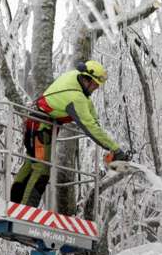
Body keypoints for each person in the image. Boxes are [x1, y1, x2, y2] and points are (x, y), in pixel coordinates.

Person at [10, 60, 130, 207]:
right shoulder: (75, 97)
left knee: (31, 163)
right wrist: (115, 149)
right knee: (41, 169)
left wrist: (103, 134)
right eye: (95, 85)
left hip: (37, 124)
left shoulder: (75, 78)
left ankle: (13, 204)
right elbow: (89, 127)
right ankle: (25, 209)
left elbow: (90, 111)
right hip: (39, 127)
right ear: (87, 80)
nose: (96, 89)